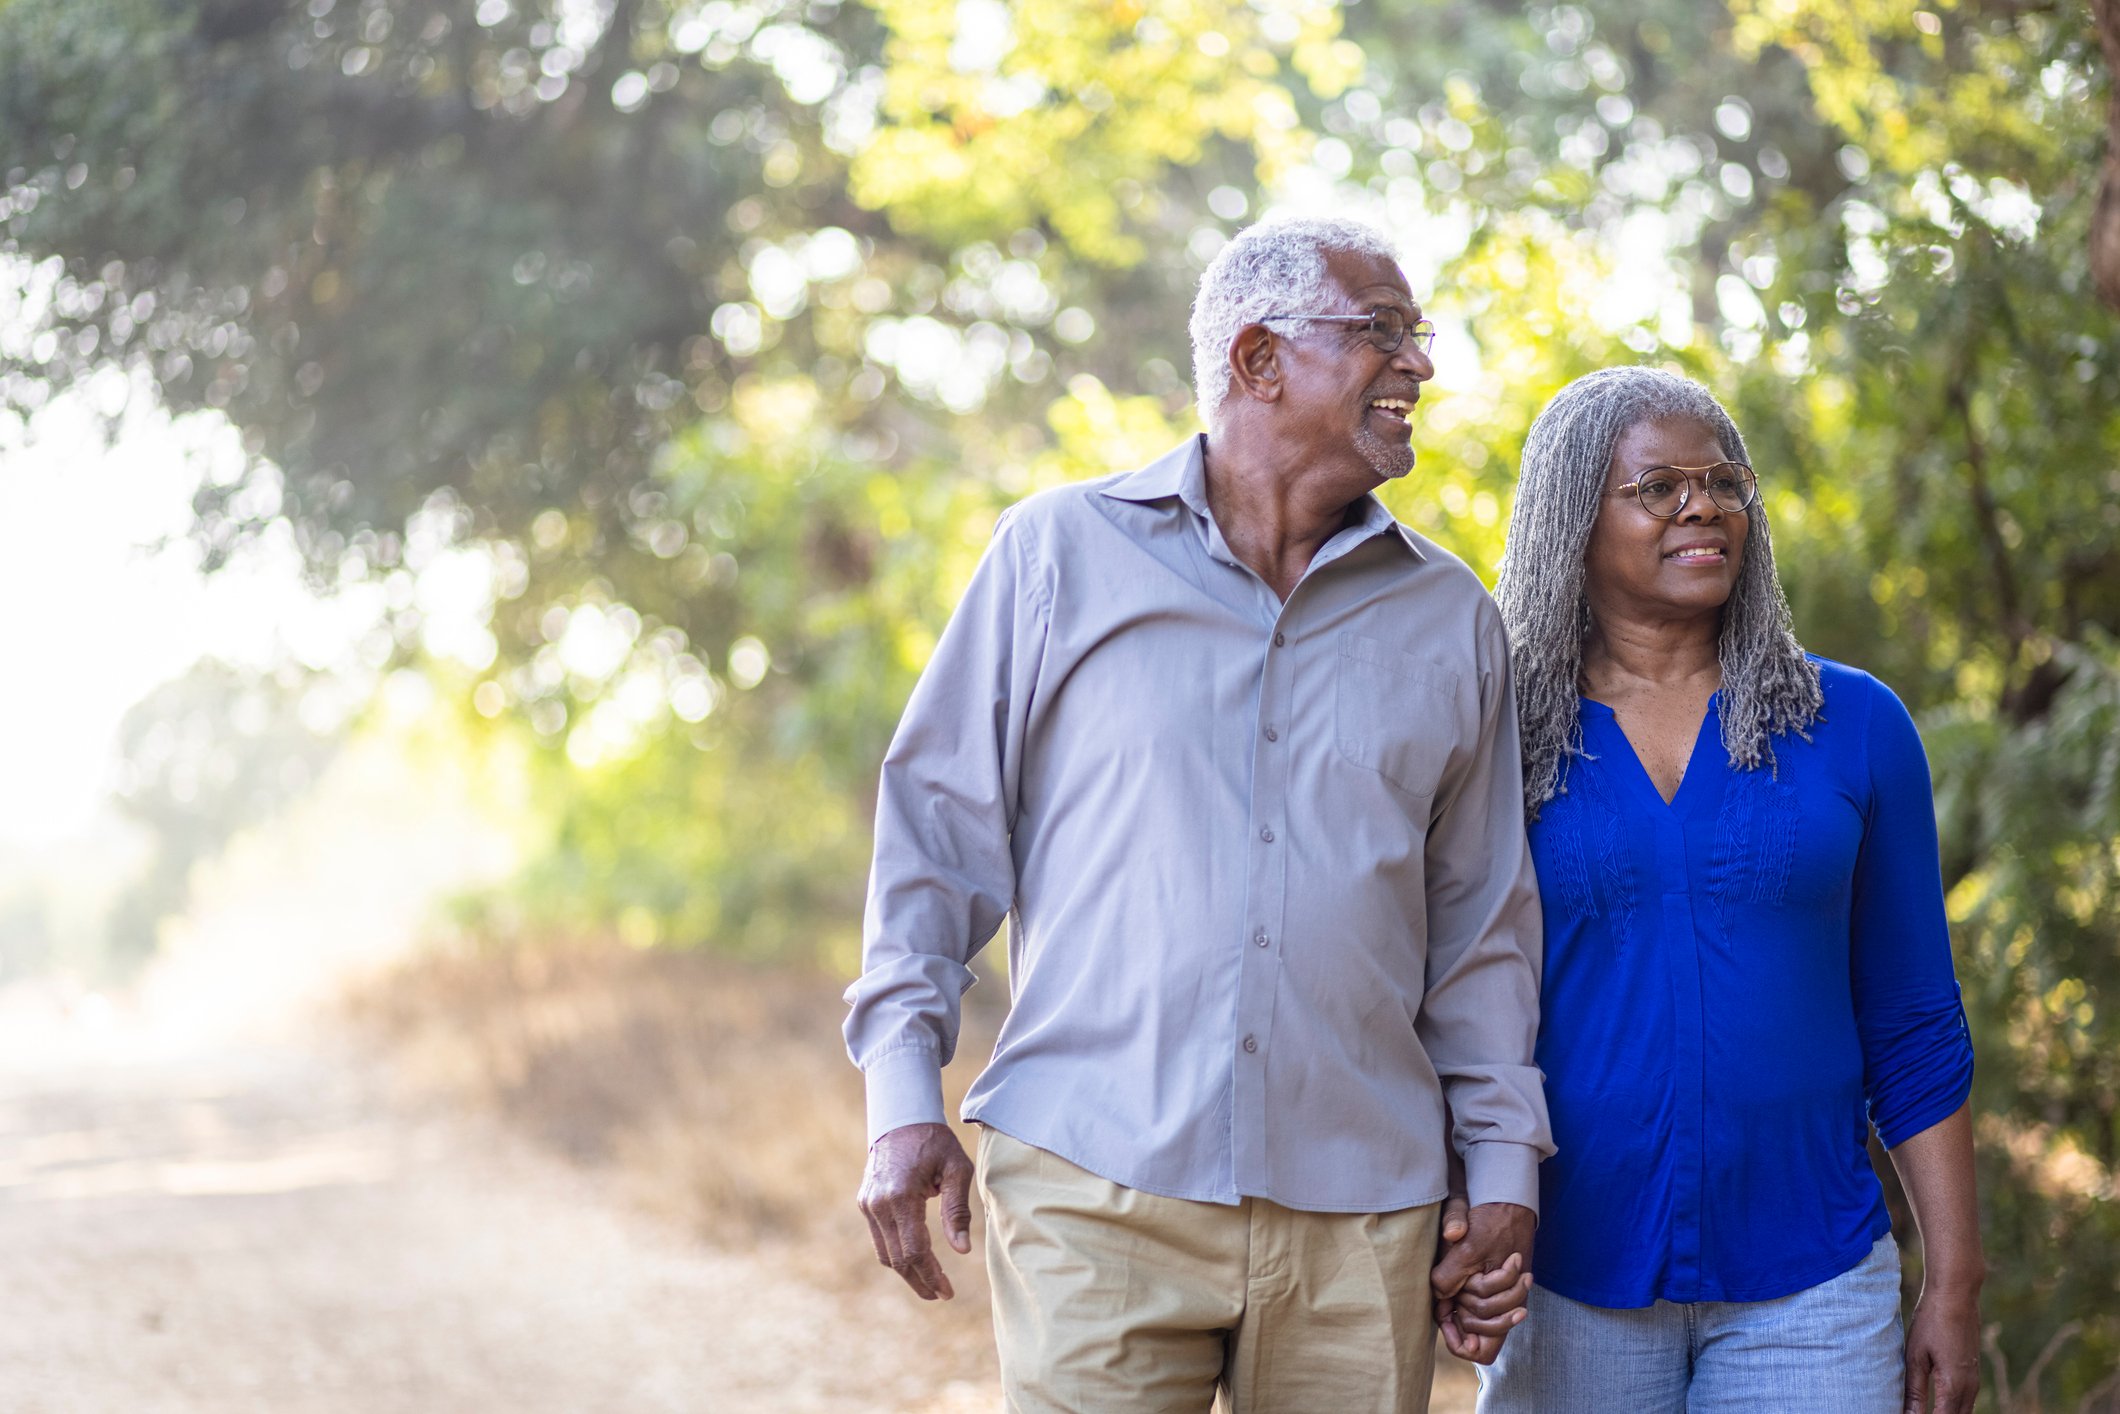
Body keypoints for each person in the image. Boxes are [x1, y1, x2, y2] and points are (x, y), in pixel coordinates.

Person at [842, 217, 1553, 1412]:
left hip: (1361, 1214)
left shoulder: (1451, 618)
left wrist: (1498, 1169)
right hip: (1091, 1183)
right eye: (1380, 331)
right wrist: (900, 1103)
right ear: (1258, 360)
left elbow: (1477, 928)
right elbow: (932, 843)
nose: (1419, 365)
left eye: (1415, 334)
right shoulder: (1054, 556)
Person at [1478, 366, 1984, 1413]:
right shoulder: (1496, 738)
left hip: (1811, 1292)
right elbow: (1446, 1004)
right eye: (1656, 487)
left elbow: (1912, 1022)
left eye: (1722, 481)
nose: (1701, 504)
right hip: (1564, 1282)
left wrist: (1954, 1281)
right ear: (1573, 518)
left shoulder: (1851, 725)